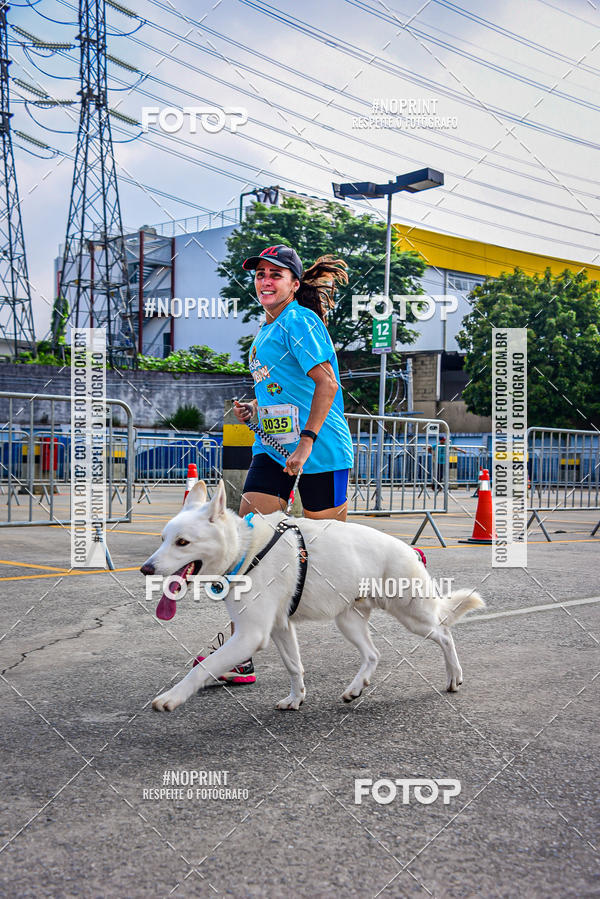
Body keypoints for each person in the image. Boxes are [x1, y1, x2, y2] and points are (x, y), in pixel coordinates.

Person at [195, 244, 354, 684]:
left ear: (294, 284)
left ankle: (399, 562)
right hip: (272, 449)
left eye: (276, 274)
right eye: (260, 273)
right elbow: (284, 390)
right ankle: (239, 651)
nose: (266, 280)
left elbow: (327, 385)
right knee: (248, 544)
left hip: (319, 451)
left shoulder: (301, 321)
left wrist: (305, 443)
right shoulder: (264, 330)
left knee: (331, 550)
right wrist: (254, 408)